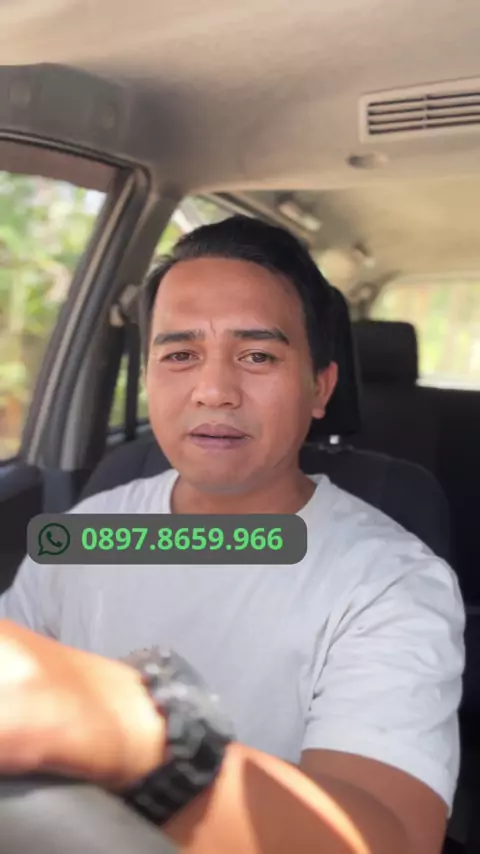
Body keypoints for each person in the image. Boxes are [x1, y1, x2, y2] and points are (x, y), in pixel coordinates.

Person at [0, 216, 465, 854]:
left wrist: (137, 735)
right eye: (179, 355)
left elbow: (392, 838)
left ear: (320, 387)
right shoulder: (87, 531)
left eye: (257, 356)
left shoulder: (390, 582)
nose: (214, 391)